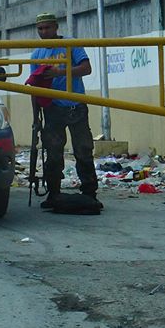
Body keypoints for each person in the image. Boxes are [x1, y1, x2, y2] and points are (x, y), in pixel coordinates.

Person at [25, 12, 100, 209]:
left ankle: (90, 192)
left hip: (76, 105)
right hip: (52, 109)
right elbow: (34, 86)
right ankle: (54, 193)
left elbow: (86, 68)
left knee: (83, 150)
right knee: (54, 154)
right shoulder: (37, 54)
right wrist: (35, 118)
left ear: (56, 27)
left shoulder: (70, 44)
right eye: (40, 29)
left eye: (47, 28)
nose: (44, 32)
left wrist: (60, 72)